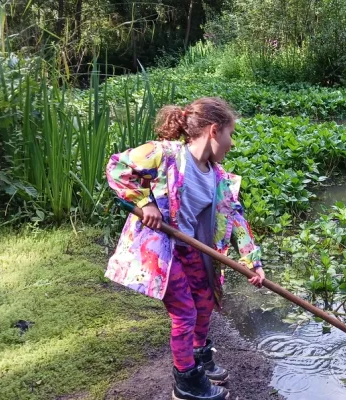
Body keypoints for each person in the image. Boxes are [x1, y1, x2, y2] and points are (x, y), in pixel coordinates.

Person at [105, 97, 265, 400]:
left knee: (205, 305)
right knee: (185, 313)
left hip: (194, 252)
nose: (231, 144)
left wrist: (252, 262)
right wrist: (144, 203)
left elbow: (237, 218)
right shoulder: (164, 155)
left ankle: (199, 357)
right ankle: (186, 382)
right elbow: (117, 167)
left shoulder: (218, 178)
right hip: (165, 251)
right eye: (231, 134)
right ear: (214, 131)